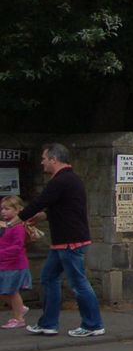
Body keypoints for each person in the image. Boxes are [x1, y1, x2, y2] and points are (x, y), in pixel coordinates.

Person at [18, 143, 104, 338]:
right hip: (62, 242)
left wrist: (16, 220)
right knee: (48, 278)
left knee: (78, 283)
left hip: (70, 241)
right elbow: (65, 207)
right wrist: (44, 216)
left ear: (54, 159)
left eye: (44, 158)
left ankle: (93, 324)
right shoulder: (68, 180)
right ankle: (48, 323)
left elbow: (40, 202)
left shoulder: (62, 180)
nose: (42, 162)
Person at [1, 194, 36, 328]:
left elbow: (17, 246)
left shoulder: (18, 227)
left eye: (7, 208)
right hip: (4, 264)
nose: (3, 211)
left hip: (14, 265)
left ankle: (18, 318)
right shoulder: (6, 226)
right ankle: (20, 308)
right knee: (3, 291)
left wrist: (2, 253)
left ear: (18, 210)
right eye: (2, 209)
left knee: (11, 292)